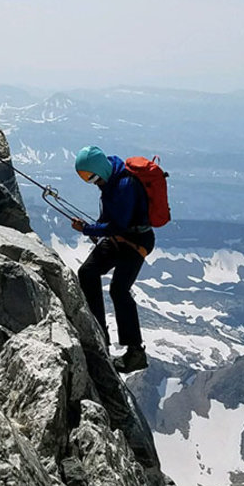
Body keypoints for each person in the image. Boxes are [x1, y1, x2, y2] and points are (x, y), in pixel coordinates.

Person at [72, 145, 154, 373]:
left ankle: (136, 352)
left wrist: (88, 229)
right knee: (87, 272)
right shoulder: (110, 179)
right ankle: (100, 335)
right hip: (119, 238)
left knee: (119, 289)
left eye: (92, 177)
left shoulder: (125, 184)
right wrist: (93, 228)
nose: (92, 182)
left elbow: (120, 224)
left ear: (99, 170)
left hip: (136, 241)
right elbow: (112, 220)